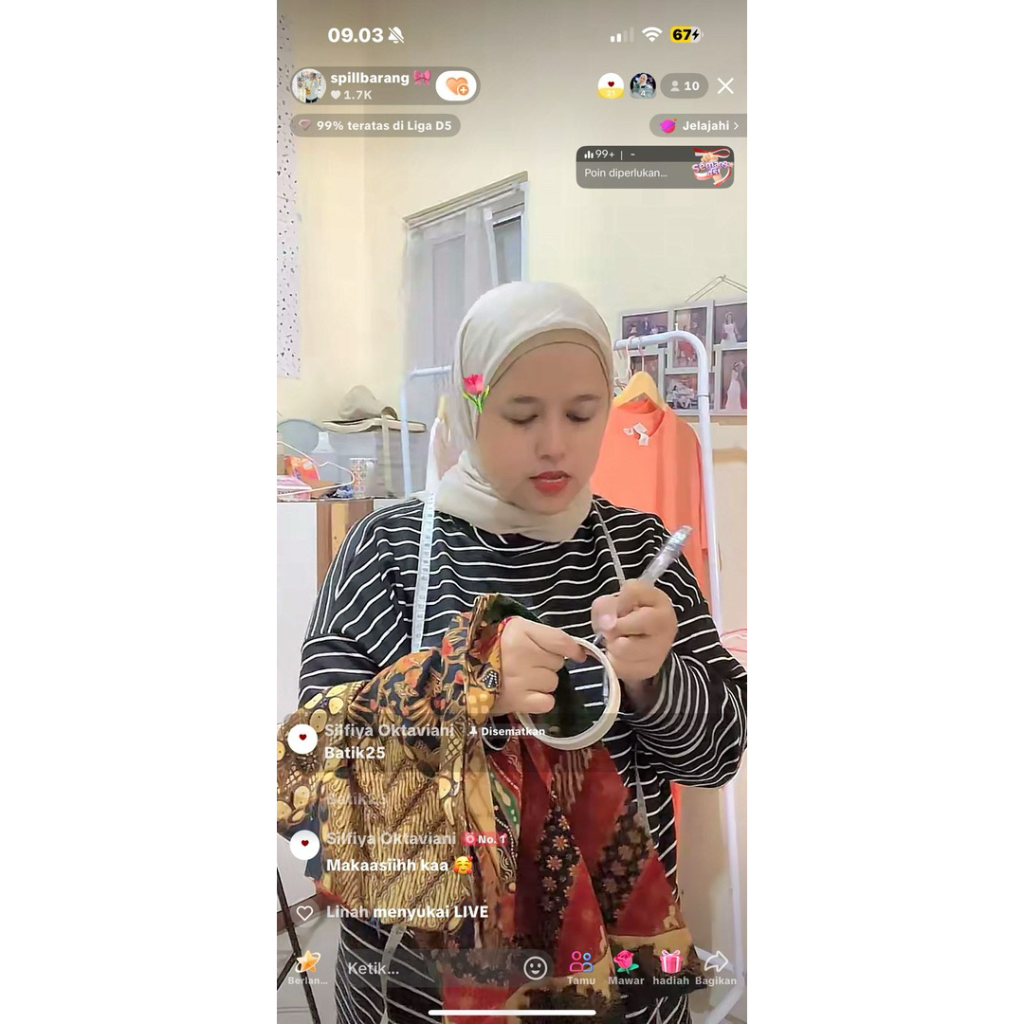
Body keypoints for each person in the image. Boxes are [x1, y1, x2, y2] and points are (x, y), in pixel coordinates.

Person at [298, 281, 747, 1024]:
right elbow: (322, 773)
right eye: (521, 414)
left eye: (582, 413)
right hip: (417, 983)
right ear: (470, 408)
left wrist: (654, 681)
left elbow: (718, 756)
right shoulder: (389, 550)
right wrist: (464, 681)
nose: (555, 443)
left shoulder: (639, 551)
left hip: (620, 976)